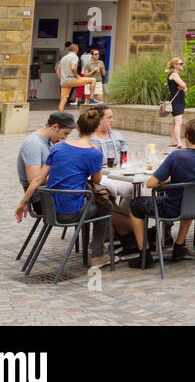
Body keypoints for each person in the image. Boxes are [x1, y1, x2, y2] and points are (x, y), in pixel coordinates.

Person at [14, 108, 126, 267]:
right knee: (105, 205)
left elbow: (38, 179)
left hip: (51, 207)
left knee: (94, 200)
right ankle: (98, 255)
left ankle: (103, 246)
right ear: (95, 130)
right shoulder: (94, 153)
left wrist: (23, 202)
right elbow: (97, 180)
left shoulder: (58, 148)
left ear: (78, 128)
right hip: (71, 212)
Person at [126, 116, 195, 264]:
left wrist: (167, 179)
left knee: (135, 205)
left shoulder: (177, 156)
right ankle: (178, 247)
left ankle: (144, 254)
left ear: (186, 136)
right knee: (189, 197)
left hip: (171, 208)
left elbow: (151, 184)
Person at [16, 112, 74, 193]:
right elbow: (34, 179)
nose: (65, 137)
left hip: (50, 193)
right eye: (65, 133)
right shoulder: (33, 143)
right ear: (55, 127)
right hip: (42, 198)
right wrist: (66, 176)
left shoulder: (50, 141)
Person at [90, 104, 134, 205]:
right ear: (98, 120)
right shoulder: (89, 138)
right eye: (109, 118)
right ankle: (115, 215)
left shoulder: (117, 135)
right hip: (99, 176)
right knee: (110, 189)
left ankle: (122, 217)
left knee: (135, 187)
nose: (112, 120)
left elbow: (126, 154)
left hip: (119, 174)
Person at [58, 43, 95, 113]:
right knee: (93, 80)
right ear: (76, 50)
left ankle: (60, 116)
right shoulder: (74, 57)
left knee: (63, 101)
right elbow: (73, 67)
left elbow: (58, 70)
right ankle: (92, 98)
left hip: (63, 82)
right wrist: (77, 76)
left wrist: (61, 79)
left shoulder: (64, 58)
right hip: (71, 80)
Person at [166, 57, 188, 148]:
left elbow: (185, 89)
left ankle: (173, 141)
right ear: (175, 65)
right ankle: (179, 143)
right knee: (178, 122)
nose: (182, 65)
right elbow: (184, 85)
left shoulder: (176, 75)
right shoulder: (174, 75)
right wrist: (183, 87)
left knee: (175, 122)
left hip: (179, 101)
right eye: (181, 64)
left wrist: (183, 87)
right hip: (176, 102)